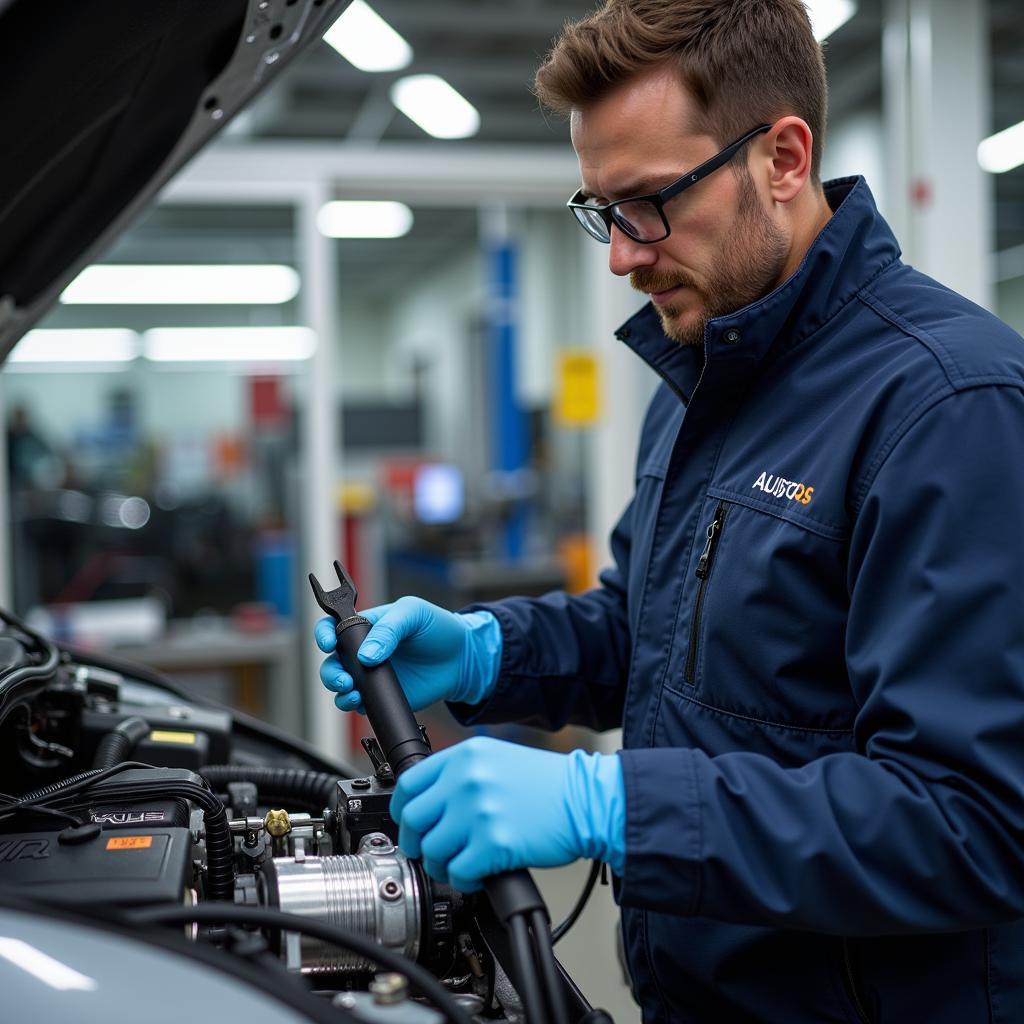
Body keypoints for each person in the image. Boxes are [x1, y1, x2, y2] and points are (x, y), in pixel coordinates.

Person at [316, 1, 1024, 1020]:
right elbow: (649, 632)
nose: (621, 254)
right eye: (602, 209)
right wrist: (483, 652)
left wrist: (613, 805)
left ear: (782, 157)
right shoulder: (701, 376)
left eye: (648, 203)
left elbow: (974, 821)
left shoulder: (951, 407)